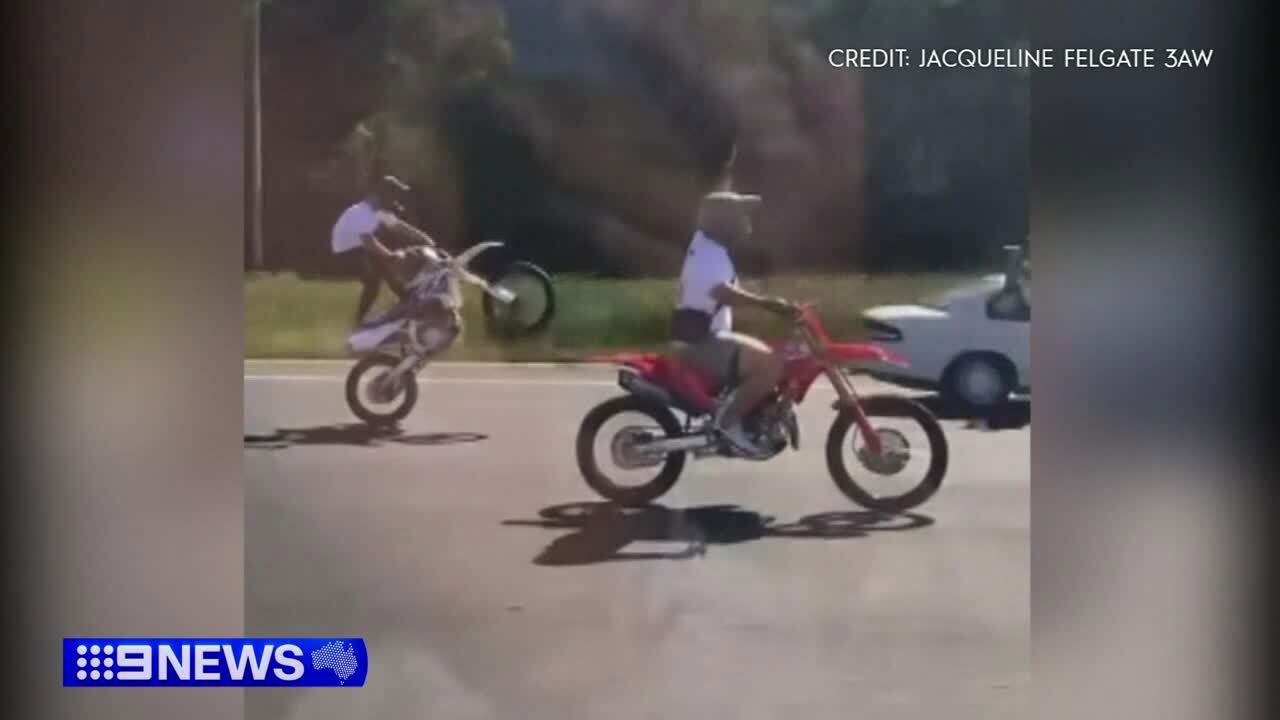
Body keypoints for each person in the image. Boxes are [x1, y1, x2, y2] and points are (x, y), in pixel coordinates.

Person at [670, 189, 799, 457]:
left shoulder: (710, 248)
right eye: (739, 214)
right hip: (701, 342)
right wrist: (768, 304)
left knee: (770, 354)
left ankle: (756, 414)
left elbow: (726, 288)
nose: (745, 220)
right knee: (769, 365)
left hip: (706, 336)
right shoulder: (708, 254)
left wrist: (770, 300)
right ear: (721, 221)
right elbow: (724, 293)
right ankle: (727, 424)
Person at [331, 175, 440, 327]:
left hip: (361, 251)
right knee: (376, 275)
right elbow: (368, 242)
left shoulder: (378, 212)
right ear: (384, 196)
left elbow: (401, 228)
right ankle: (403, 299)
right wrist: (390, 256)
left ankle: (405, 299)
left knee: (385, 262)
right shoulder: (361, 212)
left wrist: (427, 240)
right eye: (394, 196)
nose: (397, 200)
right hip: (346, 255)